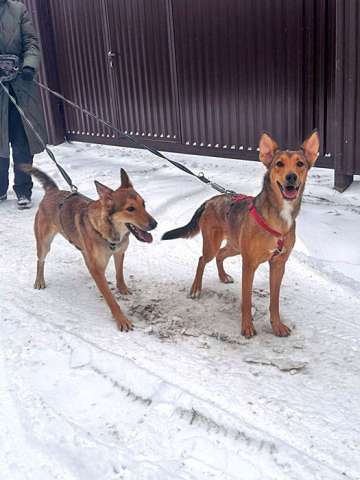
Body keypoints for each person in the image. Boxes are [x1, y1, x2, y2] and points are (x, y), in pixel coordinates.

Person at [0, 0, 47, 209]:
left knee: (22, 141)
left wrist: (29, 66)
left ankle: (23, 189)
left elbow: (31, 43)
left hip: (20, 86)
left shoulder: (18, 9)